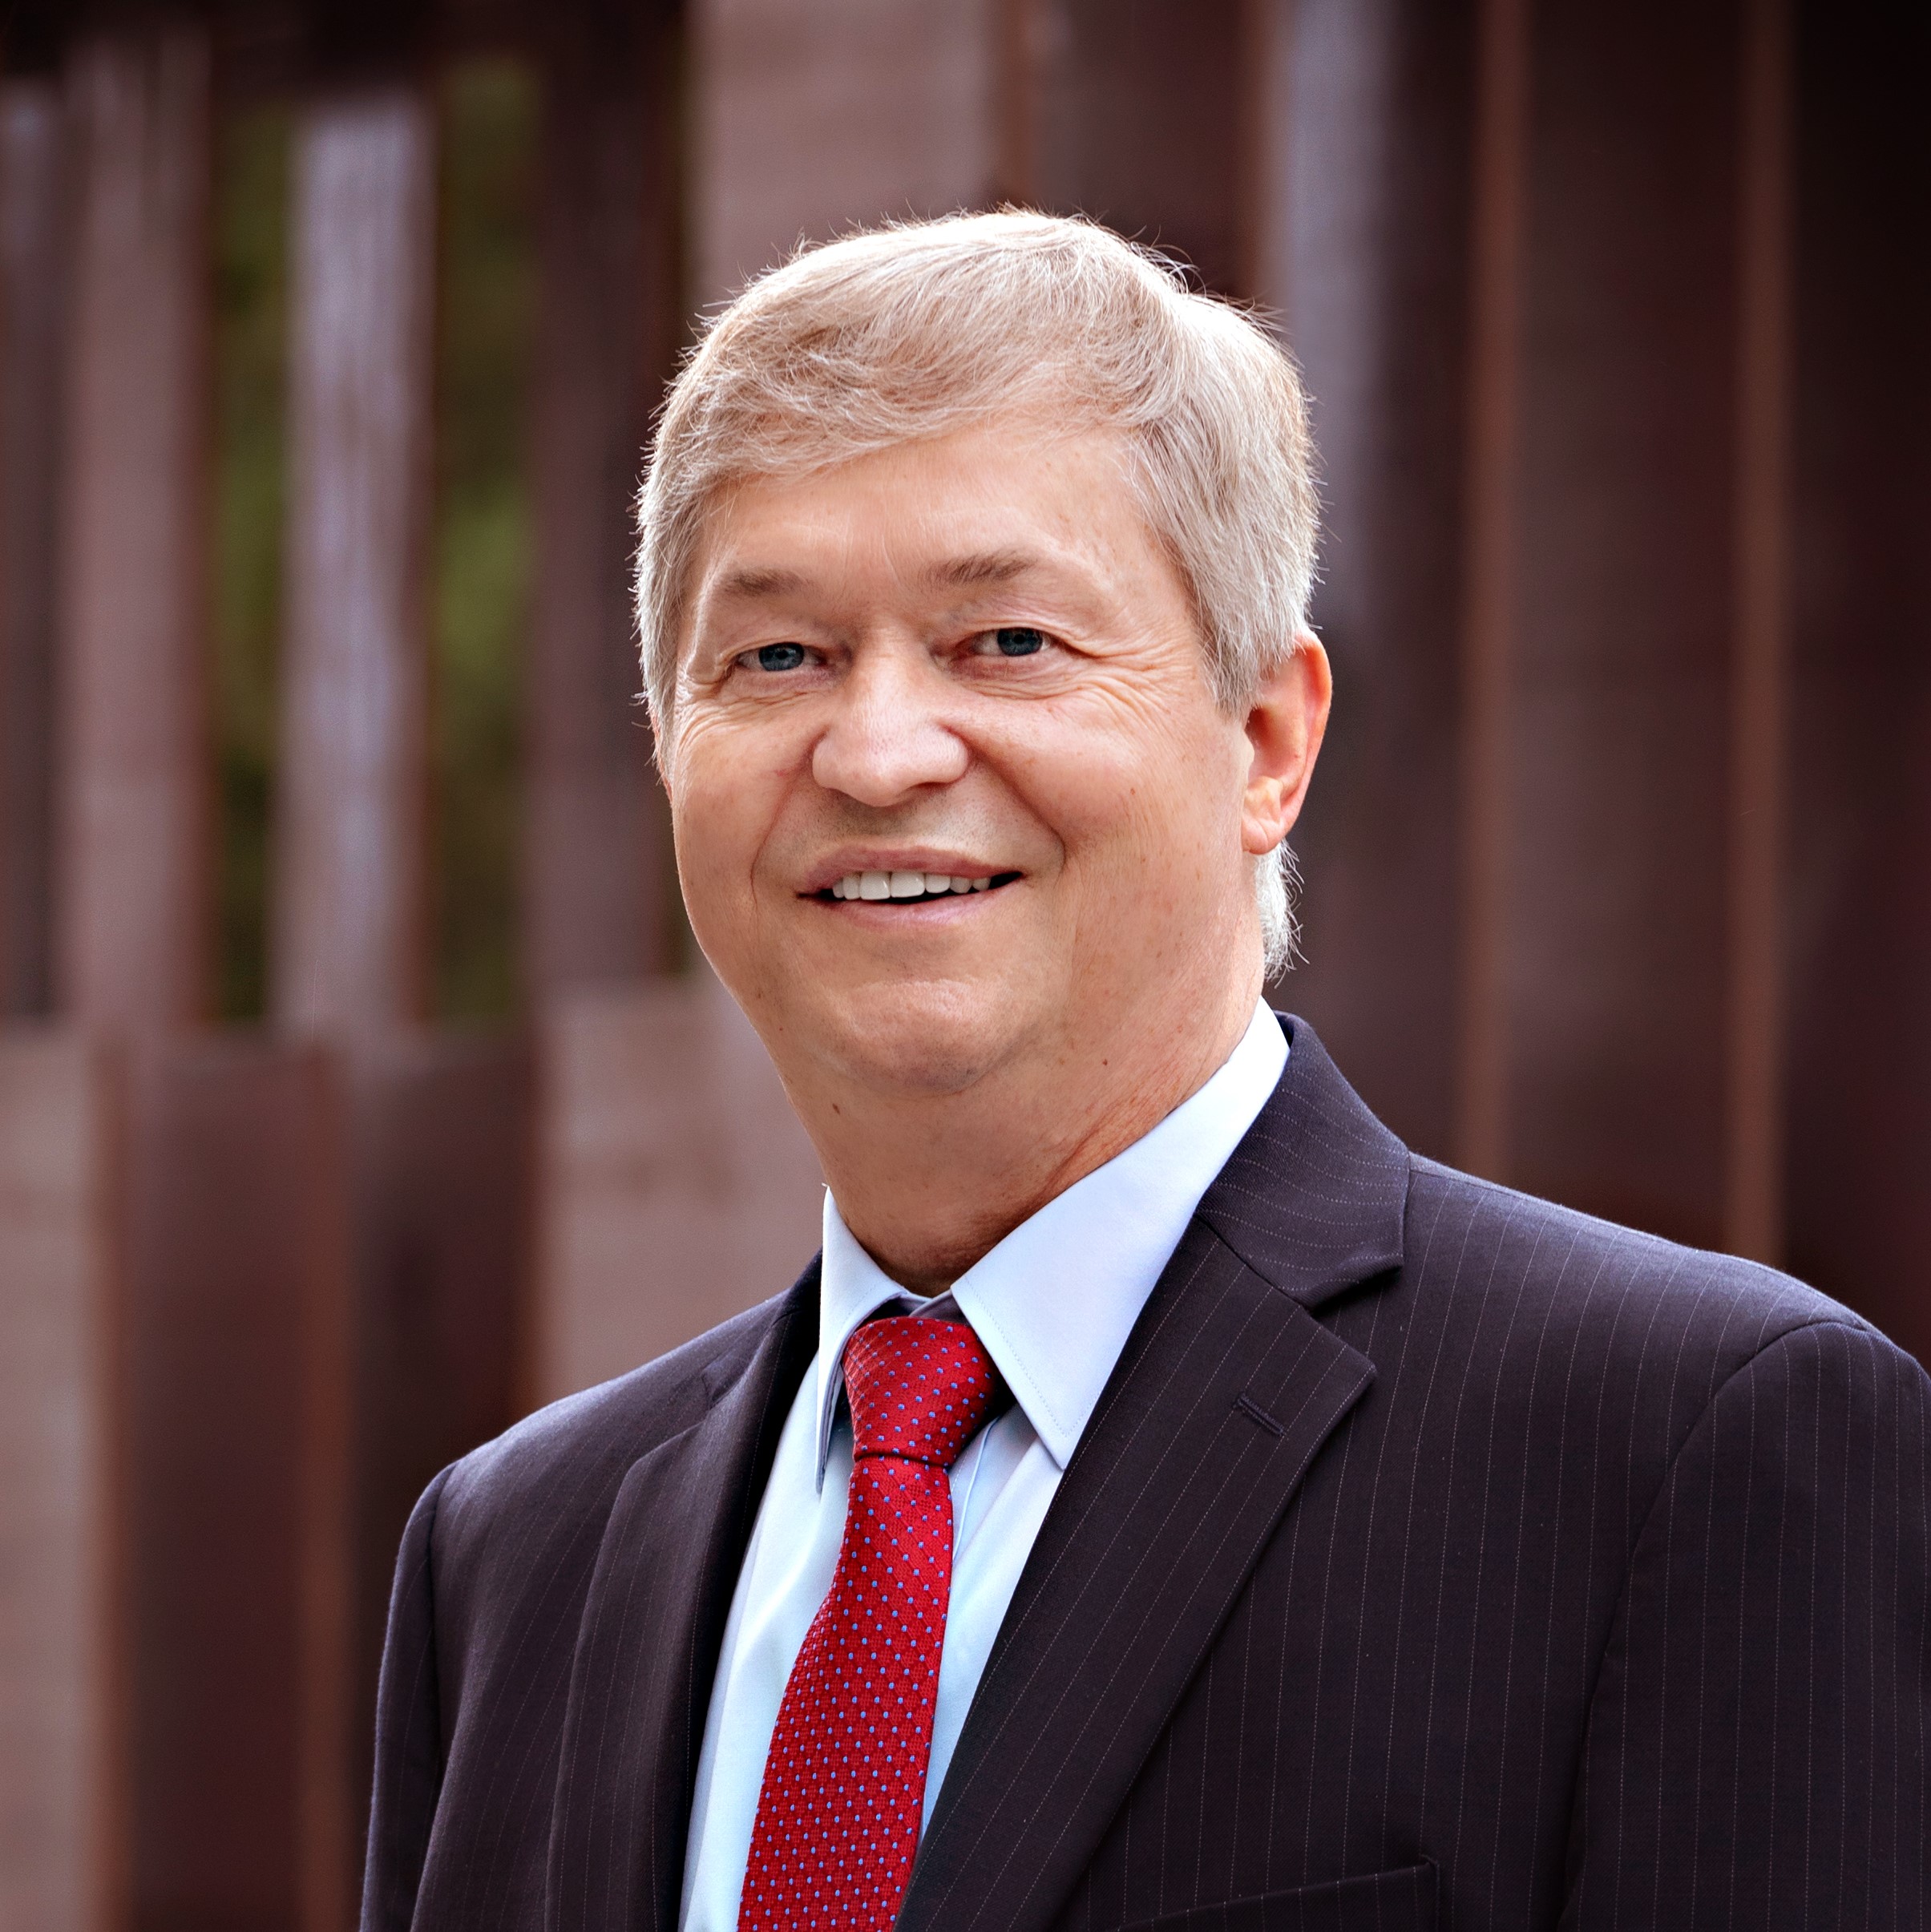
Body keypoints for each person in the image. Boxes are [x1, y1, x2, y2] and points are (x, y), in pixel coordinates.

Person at [362, 212, 1929, 1932]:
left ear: (1263, 739)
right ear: (673, 753)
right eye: (777, 655)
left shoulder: (1685, 1445)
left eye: (1005, 641)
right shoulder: (509, 1556)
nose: (878, 751)